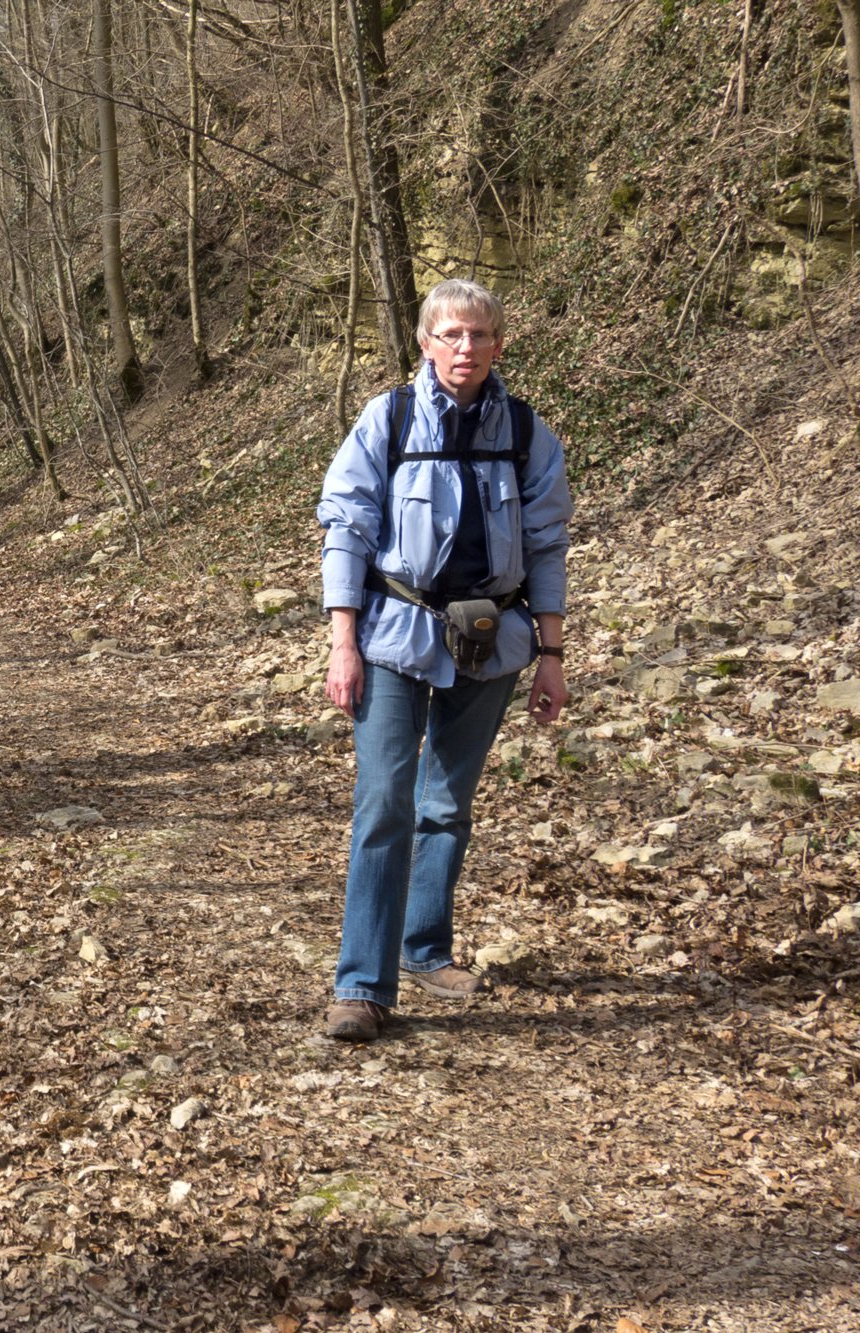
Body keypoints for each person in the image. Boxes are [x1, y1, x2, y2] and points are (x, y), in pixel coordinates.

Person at [316, 278, 573, 1043]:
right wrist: (342, 640)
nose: (465, 348)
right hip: (393, 634)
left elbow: (549, 546)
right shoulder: (388, 418)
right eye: (451, 334)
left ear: (499, 345)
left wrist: (553, 656)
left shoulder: (527, 434)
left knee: (447, 803)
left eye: (479, 335)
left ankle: (426, 947)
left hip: (493, 642)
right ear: (425, 342)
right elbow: (346, 526)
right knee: (386, 800)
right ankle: (362, 983)